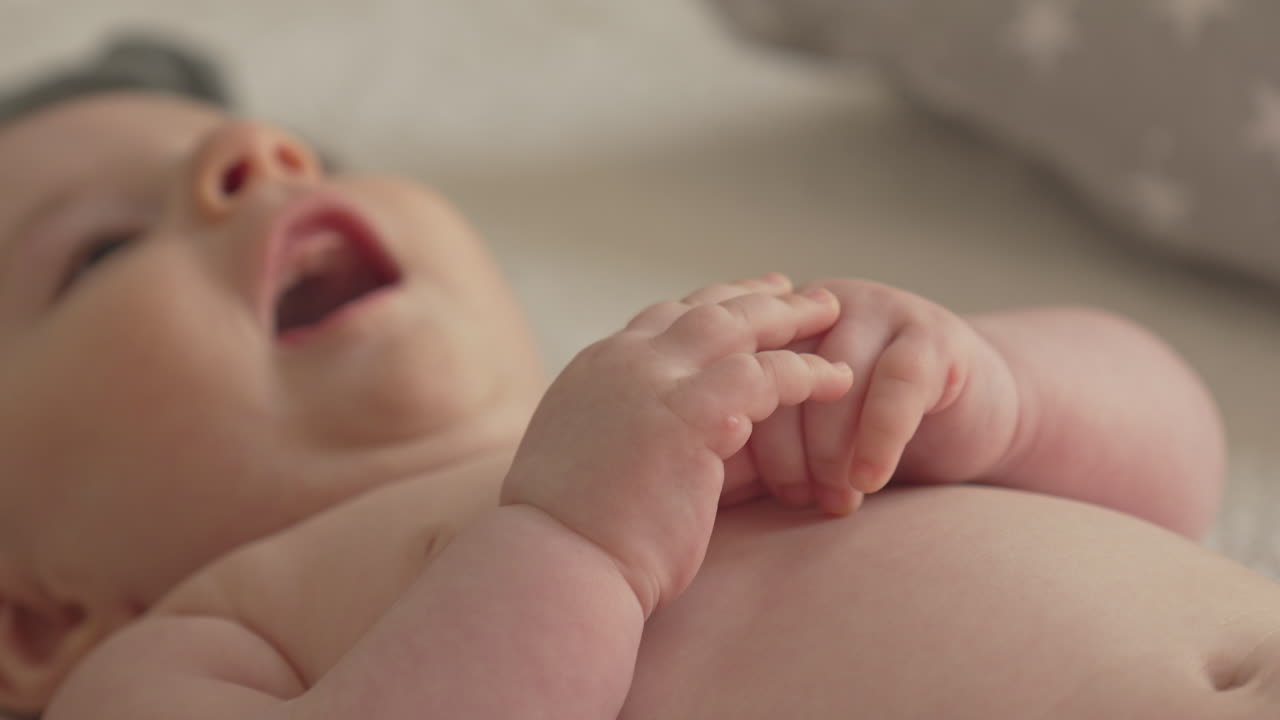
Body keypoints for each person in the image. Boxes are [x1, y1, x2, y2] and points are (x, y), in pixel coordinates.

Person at [0, 38, 1276, 720]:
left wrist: (1002, 392)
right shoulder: (193, 648)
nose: (253, 154)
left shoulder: (702, 387)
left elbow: (1176, 472)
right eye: (99, 249)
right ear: (31, 616)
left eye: (306, 156)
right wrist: (568, 544)